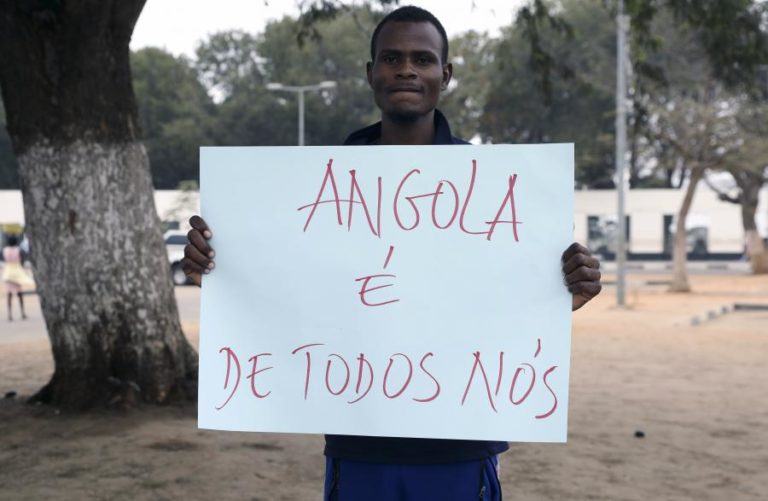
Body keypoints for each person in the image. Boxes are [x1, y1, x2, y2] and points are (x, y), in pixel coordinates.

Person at [183, 6, 602, 500]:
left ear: (445, 75)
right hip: (360, 444)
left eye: (423, 59)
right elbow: (286, 292)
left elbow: (505, 306)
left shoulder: (494, 186)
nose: (406, 69)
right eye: (391, 57)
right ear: (370, 74)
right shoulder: (314, 190)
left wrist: (566, 294)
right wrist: (213, 265)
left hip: (460, 446)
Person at [2, 235, 30, 321]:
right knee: (19, 293)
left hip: (8, 272)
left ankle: (10, 314)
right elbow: (22, 260)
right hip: (17, 271)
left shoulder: (4, 250)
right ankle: (22, 312)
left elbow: (3, 259)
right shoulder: (18, 250)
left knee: (9, 294)